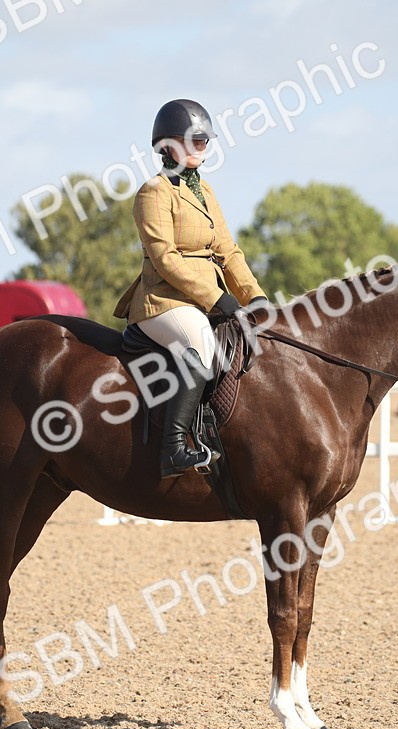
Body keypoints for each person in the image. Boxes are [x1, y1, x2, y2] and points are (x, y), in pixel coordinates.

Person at [114, 99, 268, 478]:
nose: (202, 146)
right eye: (194, 140)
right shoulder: (154, 192)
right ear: (168, 145)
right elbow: (165, 259)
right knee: (201, 344)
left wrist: (255, 297)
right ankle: (174, 447)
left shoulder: (205, 192)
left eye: (204, 140)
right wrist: (217, 298)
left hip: (202, 301)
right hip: (163, 301)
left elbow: (228, 251)